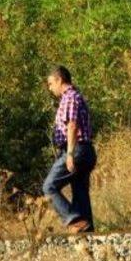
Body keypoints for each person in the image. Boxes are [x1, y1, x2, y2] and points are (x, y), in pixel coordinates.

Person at [42, 66, 97, 234]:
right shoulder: (75, 97)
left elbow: (72, 126)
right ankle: (87, 232)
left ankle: (74, 220)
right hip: (84, 150)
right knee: (80, 192)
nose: (50, 88)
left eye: (51, 84)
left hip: (77, 149)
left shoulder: (70, 98)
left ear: (59, 80)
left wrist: (70, 154)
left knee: (49, 186)